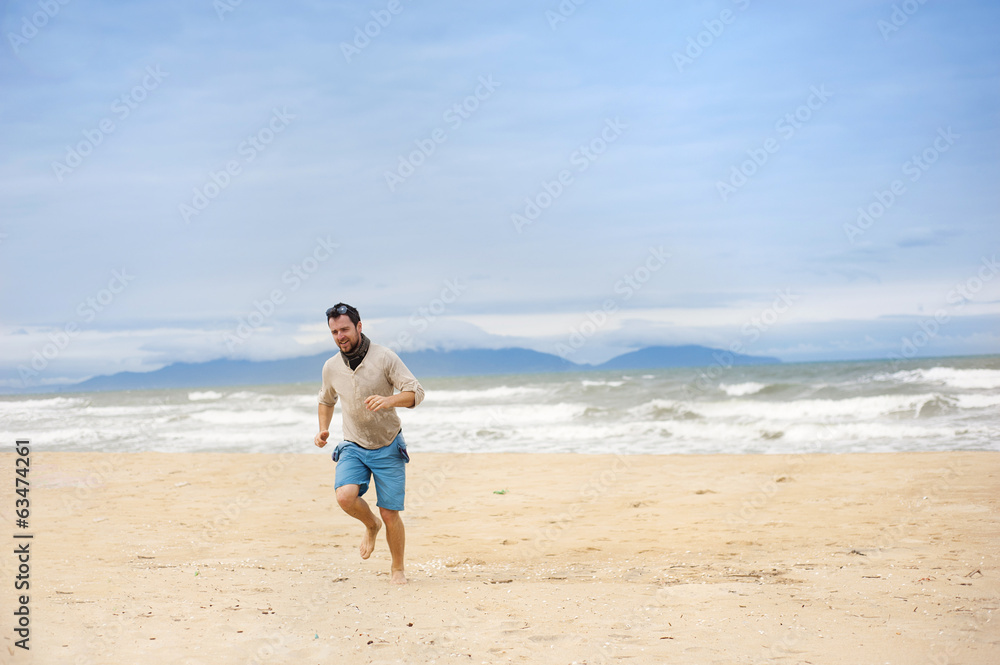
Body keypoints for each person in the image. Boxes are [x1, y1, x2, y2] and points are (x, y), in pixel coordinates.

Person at [314, 303, 424, 585]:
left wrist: (389, 400)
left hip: (388, 444)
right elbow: (326, 400)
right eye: (334, 331)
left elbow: (416, 392)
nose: (340, 336)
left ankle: (397, 568)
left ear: (359, 327)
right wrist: (323, 430)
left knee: (390, 513)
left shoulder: (384, 357)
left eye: (345, 329)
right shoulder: (331, 367)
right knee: (344, 496)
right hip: (353, 444)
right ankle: (369, 524)